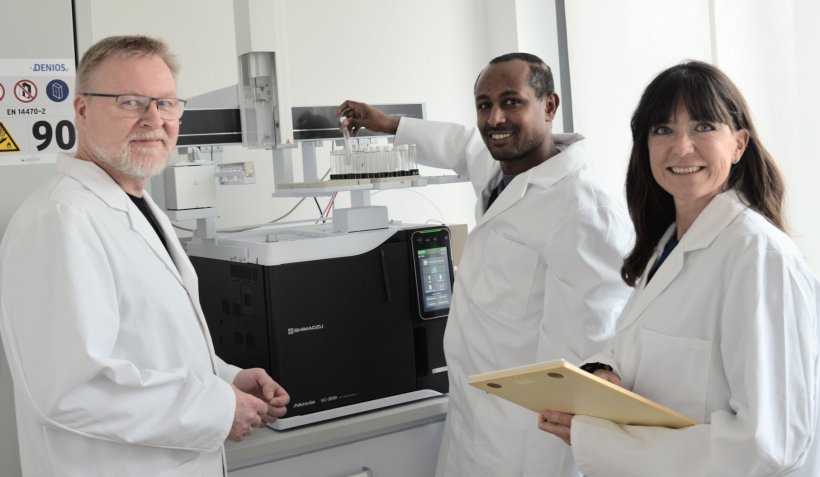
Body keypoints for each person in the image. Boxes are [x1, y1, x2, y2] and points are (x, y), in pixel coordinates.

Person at [0, 35, 289, 477]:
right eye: (130, 102)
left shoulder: (137, 204)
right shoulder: (59, 219)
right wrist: (214, 408)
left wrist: (225, 379)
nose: (154, 120)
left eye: (167, 103)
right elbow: (69, 389)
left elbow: (149, 344)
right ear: (81, 110)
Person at [338, 52, 634, 476]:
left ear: (549, 106)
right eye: (484, 104)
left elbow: (587, 344)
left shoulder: (583, 207)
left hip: (529, 437)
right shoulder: (504, 167)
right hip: (474, 411)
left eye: (512, 102)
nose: (495, 118)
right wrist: (387, 123)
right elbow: (461, 145)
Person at [538, 60, 820, 476]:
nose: (682, 147)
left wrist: (600, 440)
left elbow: (765, 445)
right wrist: (603, 371)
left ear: (739, 144)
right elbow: (646, 346)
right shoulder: (669, 243)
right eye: (663, 129)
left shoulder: (759, 257)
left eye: (704, 126)